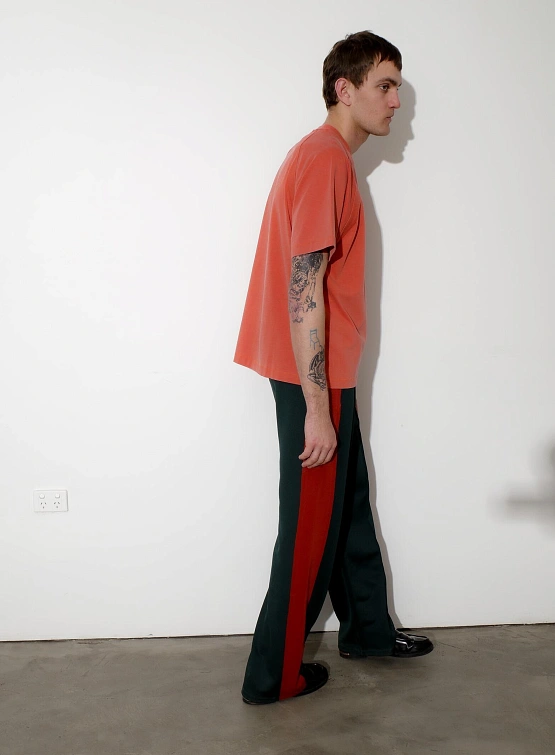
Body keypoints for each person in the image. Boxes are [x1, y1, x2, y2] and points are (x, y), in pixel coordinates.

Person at [234, 30, 433, 705]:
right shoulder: (325, 161)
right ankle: (273, 675)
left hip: (324, 373)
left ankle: (368, 630)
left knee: (346, 506)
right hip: (311, 379)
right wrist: (317, 410)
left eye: (397, 86)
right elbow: (306, 287)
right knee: (308, 531)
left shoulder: (321, 157)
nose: (396, 100)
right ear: (344, 90)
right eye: (384, 85)